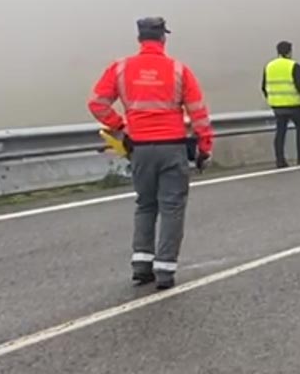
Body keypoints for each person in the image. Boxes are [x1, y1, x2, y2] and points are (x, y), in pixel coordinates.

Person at [88, 17, 214, 290]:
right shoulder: (179, 70)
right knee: (172, 207)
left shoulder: (120, 68)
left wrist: (121, 125)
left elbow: (97, 103)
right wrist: (205, 147)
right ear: (163, 39)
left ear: (139, 39)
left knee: (145, 204)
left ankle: (141, 265)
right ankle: (165, 270)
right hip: (172, 146)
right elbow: (198, 113)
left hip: (140, 148)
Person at [262, 40, 300, 168]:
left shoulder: (269, 66)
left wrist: (271, 99)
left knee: (280, 132)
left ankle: (280, 160)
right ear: (289, 52)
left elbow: (263, 86)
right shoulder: (294, 65)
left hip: (277, 106)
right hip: (294, 104)